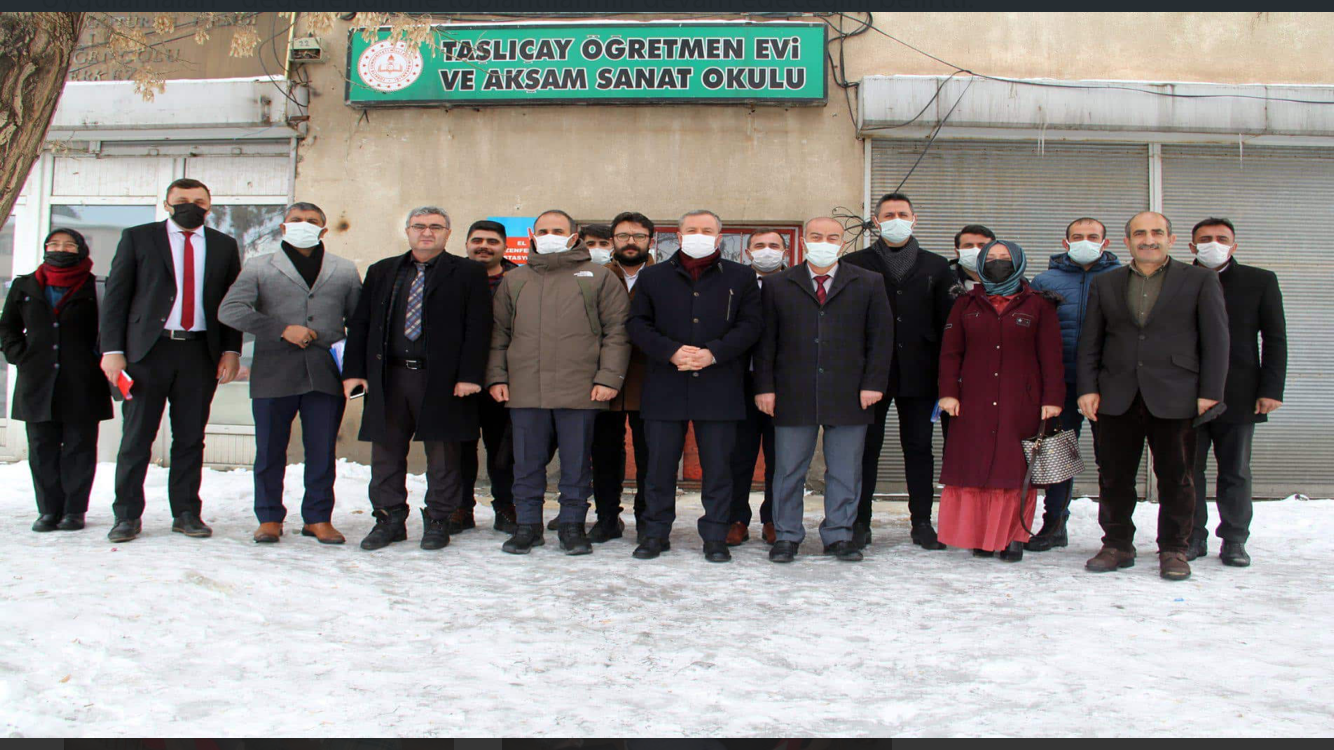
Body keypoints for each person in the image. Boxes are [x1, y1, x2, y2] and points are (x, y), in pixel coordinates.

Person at [1078, 211, 1229, 581]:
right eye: (1140, 233)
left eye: (1157, 232)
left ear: (1171, 239)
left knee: (1177, 477)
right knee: (1114, 476)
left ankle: (1175, 548)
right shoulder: (1106, 283)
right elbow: (1090, 340)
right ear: (1127, 241)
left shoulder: (1200, 280)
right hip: (1116, 394)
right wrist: (1087, 387)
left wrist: (1210, 391)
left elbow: (1217, 338)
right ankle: (1117, 544)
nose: (1149, 239)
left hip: (1176, 393)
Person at [99, 178, 243, 543]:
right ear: (167, 204)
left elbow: (231, 303)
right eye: (181, 201)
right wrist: (112, 350)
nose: (189, 206)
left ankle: (186, 512)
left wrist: (231, 350)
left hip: (199, 353)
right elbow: (116, 296)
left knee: (191, 438)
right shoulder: (138, 237)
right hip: (147, 353)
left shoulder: (224, 245)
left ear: (209, 206)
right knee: (136, 438)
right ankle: (127, 516)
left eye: (198, 201)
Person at [342, 206, 492, 552]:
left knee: (443, 454)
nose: (427, 233)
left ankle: (439, 519)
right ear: (407, 231)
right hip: (388, 377)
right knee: (386, 452)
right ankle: (389, 519)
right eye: (419, 226)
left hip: (441, 379)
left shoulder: (468, 272)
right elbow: (361, 324)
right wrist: (354, 372)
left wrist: (470, 375)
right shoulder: (383, 271)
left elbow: (479, 327)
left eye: (435, 227)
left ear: (447, 234)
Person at [487, 209, 631, 555]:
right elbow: (499, 333)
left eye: (558, 230)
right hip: (525, 388)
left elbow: (617, 332)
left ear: (573, 236)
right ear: (533, 236)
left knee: (576, 464)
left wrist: (608, 378)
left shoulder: (598, 277)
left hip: (581, 388)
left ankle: (571, 527)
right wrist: (497, 376)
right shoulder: (516, 279)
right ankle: (527, 526)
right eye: (543, 230)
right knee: (527, 464)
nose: (550, 235)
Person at [218, 202, 362, 545]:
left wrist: (354, 370)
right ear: (283, 228)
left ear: (324, 230)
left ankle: (318, 517)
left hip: (324, 373)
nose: (303, 225)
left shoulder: (343, 270)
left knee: (322, 450)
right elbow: (230, 310)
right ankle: (269, 517)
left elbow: (359, 322)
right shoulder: (258, 266)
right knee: (269, 450)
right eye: (296, 220)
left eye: (312, 221)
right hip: (273, 371)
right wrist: (281, 329)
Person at [626, 209, 762, 562]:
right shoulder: (653, 277)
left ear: (720, 238)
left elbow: (751, 325)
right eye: (691, 229)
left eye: (707, 230)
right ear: (678, 235)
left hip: (719, 385)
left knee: (718, 468)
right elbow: (637, 324)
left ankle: (715, 535)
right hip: (665, 385)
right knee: (658, 467)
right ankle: (655, 533)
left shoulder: (741, 276)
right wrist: (670, 351)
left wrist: (713, 353)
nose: (698, 235)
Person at [755, 217, 893, 563]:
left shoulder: (869, 282)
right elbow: (765, 341)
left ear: (843, 242)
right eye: (816, 236)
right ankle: (786, 535)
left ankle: (839, 535)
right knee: (788, 469)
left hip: (850, 393)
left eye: (832, 236)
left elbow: (880, 338)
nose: (824, 242)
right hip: (791, 392)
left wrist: (874, 384)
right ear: (803, 240)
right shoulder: (778, 284)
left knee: (845, 470)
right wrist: (765, 387)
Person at [937, 240, 1065, 561]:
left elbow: (1051, 356)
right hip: (973, 401)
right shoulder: (965, 303)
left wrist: (1052, 399)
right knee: (976, 468)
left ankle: (1013, 536)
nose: (996, 263)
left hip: (1022, 401)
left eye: (1004, 258)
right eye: (990, 258)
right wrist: (948, 393)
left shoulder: (1039, 304)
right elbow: (951, 353)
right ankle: (981, 536)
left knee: (1013, 471)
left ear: (1019, 262)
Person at [841, 192, 954, 550]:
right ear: (876, 221)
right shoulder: (854, 262)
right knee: (866, 448)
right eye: (888, 214)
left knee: (919, 447)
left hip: (921, 374)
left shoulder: (936, 266)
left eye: (902, 213)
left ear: (914, 219)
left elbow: (948, 324)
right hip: (869, 375)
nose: (895, 219)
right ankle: (860, 521)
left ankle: (921, 521)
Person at [1187, 217, 1287, 567]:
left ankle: (1234, 539)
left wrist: (1271, 388)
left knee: (1236, 470)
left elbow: (1274, 338)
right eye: (1205, 239)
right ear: (1191, 247)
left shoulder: (1259, 281)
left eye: (1221, 238)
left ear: (1234, 245)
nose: (1213, 244)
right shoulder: (1180, 280)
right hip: (1186, 394)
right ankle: (1191, 537)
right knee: (1186, 470)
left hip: (1240, 392)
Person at [0, 228, 113, 532]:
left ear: (80, 250)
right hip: (37, 379)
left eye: (68, 245)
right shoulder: (25, 285)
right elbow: (7, 326)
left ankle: (75, 510)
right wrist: (18, 354)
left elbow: (112, 327)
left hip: (83, 379)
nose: (60, 249)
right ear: (45, 248)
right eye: (54, 244)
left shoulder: (95, 286)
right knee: (41, 447)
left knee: (80, 447)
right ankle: (49, 510)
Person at [1025, 217, 1121, 551]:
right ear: (1065, 243)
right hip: (1060, 382)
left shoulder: (1120, 278)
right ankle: (1054, 524)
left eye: (1092, 236)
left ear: (1105, 243)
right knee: (1057, 456)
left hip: (1107, 385)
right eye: (1077, 237)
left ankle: (1115, 533)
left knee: (1111, 460)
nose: (1085, 241)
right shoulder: (1045, 281)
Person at [586, 211, 656, 543]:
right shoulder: (593, 276)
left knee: (651, 454)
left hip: (653, 380)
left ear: (650, 241)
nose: (631, 242)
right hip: (602, 380)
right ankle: (607, 517)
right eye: (623, 235)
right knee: (604, 453)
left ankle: (648, 518)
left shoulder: (666, 276)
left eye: (638, 236)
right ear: (613, 240)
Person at [453, 219, 519, 535]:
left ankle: (506, 508)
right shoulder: (450, 276)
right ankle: (460, 508)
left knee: (504, 451)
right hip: (458, 378)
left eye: (492, 241)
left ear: (504, 246)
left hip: (506, 379)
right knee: (459, 448)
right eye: (477, 240)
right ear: (466, 243)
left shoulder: (520, 279)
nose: (484, 246)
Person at [727, 227, 788, 546]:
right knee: (738, 455)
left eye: (774, 245)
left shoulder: (797, 284)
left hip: (785, 384)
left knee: (781, 457)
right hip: (739, 382)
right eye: (760, 246)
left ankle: (775, 518)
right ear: (747, 253)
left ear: (785, 251)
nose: (767, 250)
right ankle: (736, 517)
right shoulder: (734, 283)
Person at [950, 224, 994, 291]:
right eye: (968, 245)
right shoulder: (944, 277)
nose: (976, 250)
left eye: (982, 245)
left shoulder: (1009, 278)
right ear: (957, 252)